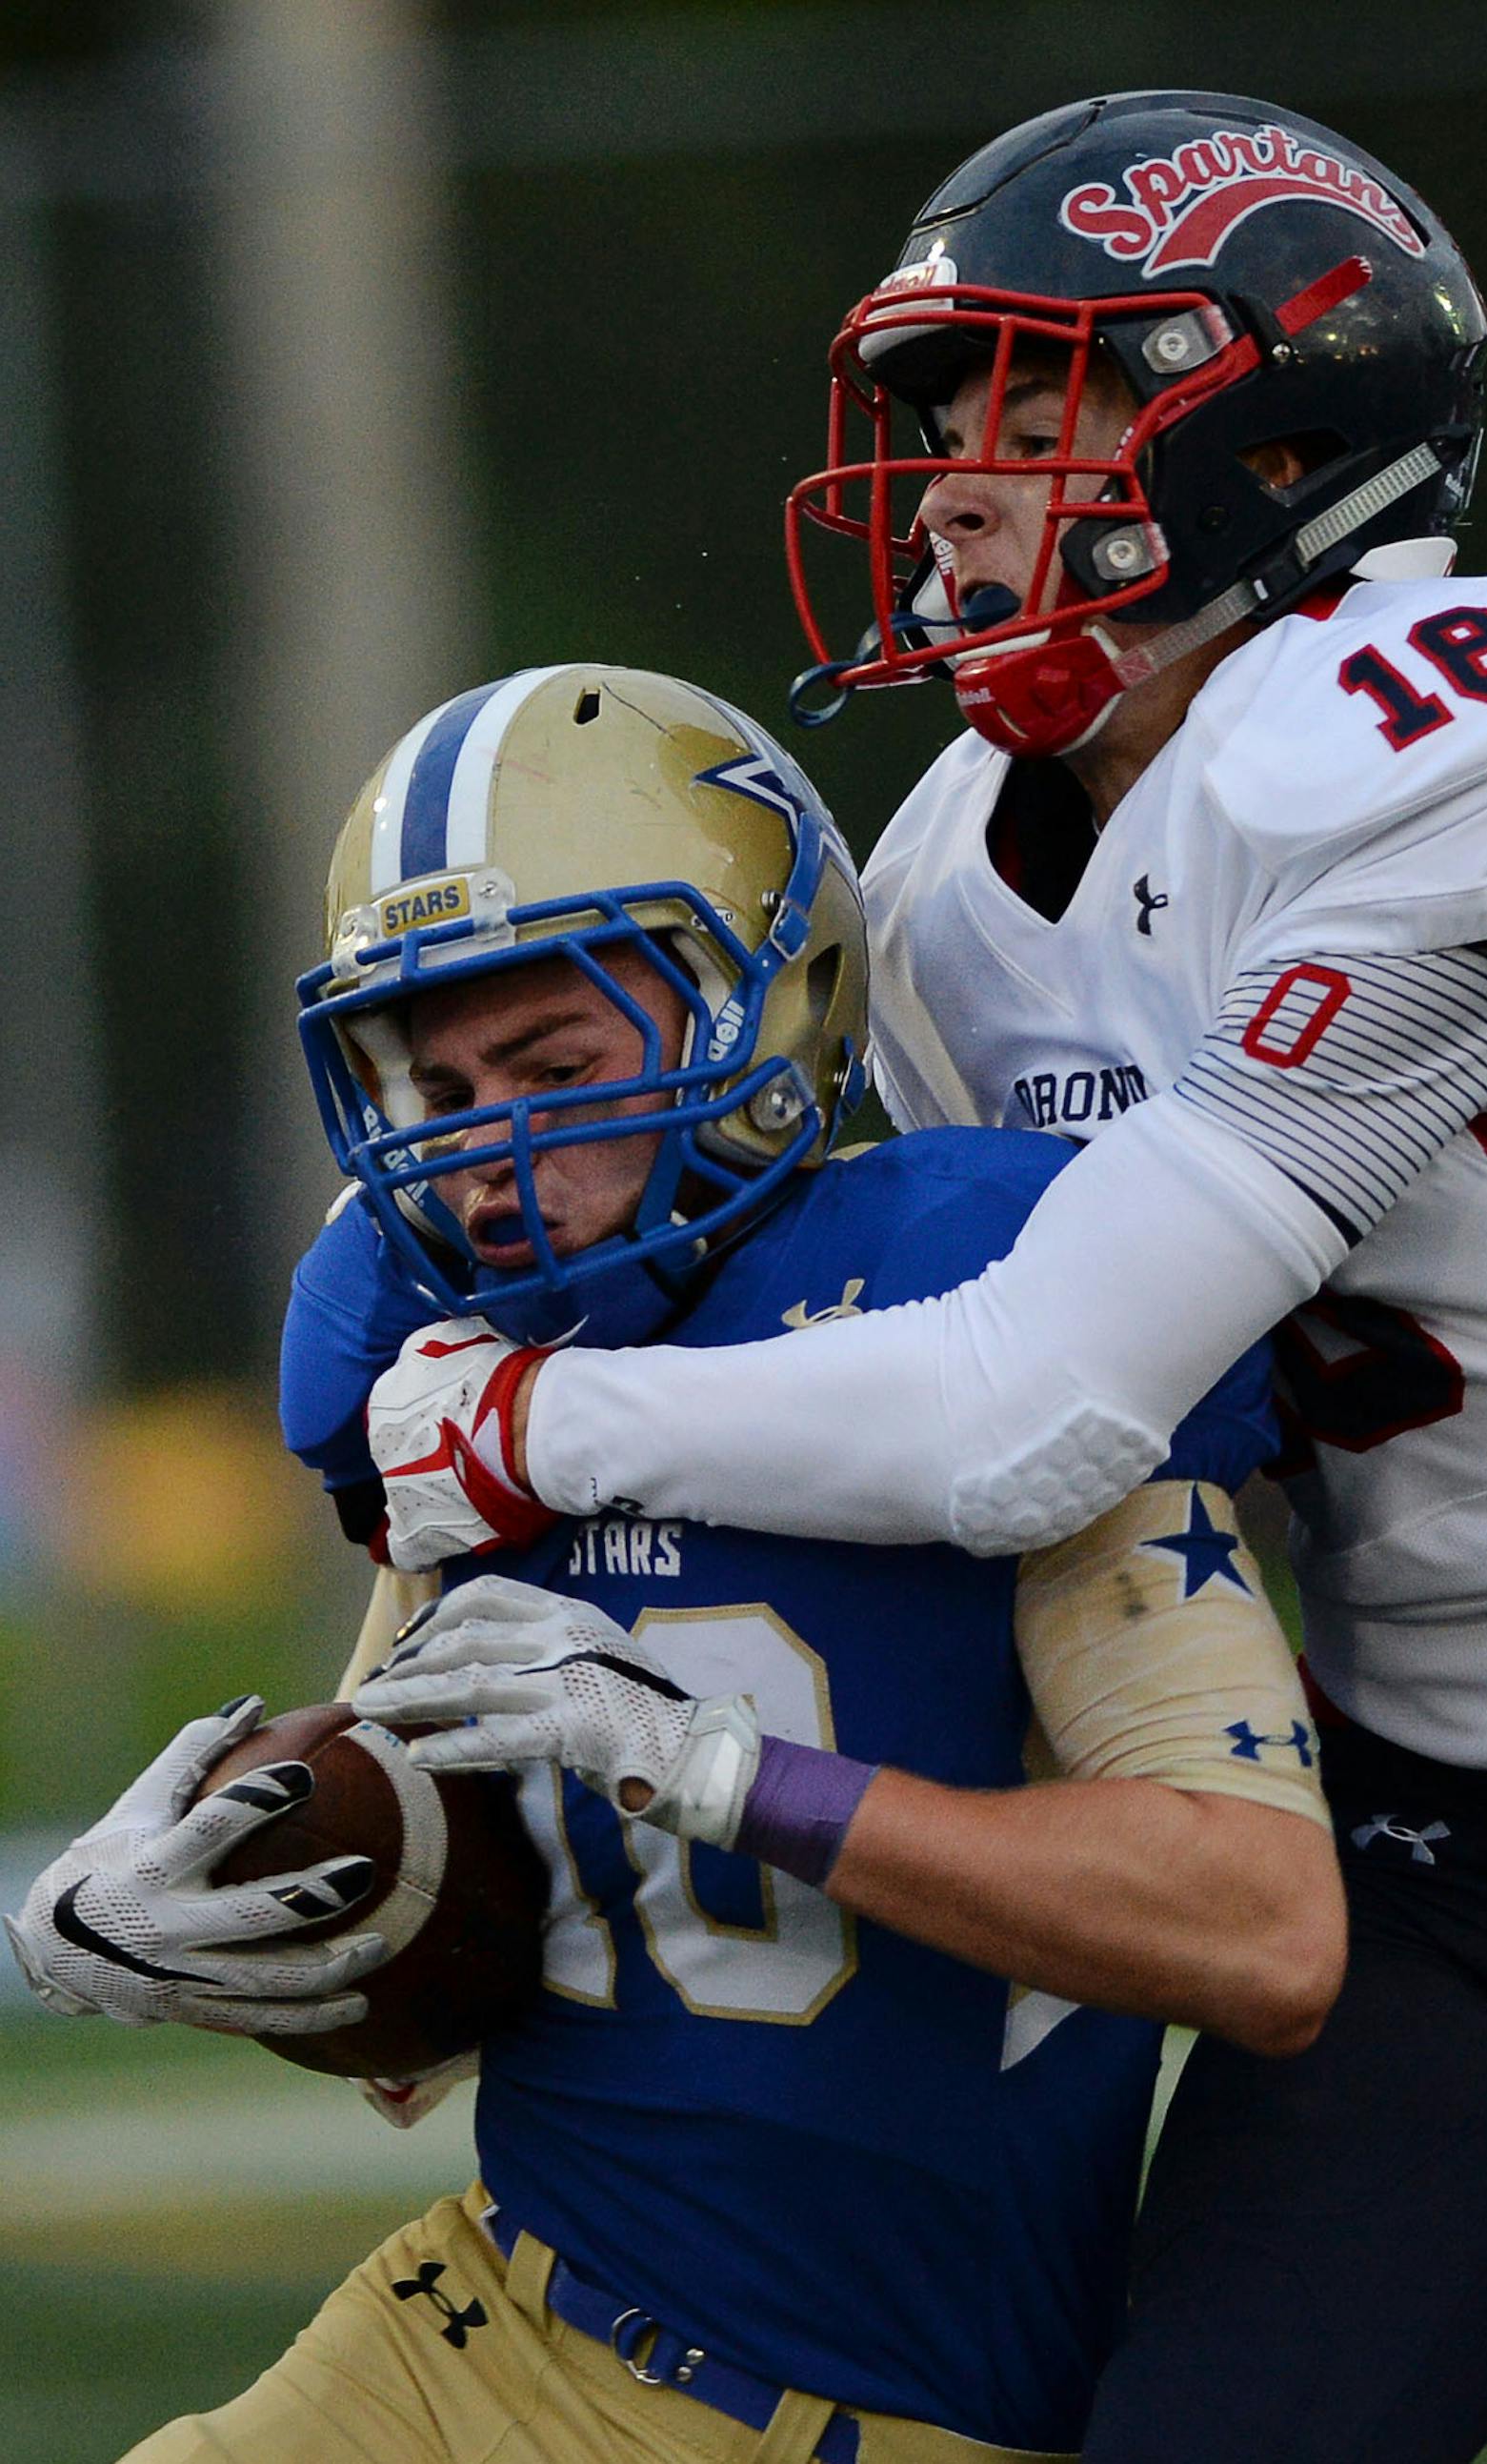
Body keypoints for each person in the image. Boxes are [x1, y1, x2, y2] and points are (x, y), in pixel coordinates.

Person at [343, 94, 1487, 2464]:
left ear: (1281, 421)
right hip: (1450, 1863)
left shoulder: (1486, 722)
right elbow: (882, 1347)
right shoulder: (950, 877)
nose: (950, 486)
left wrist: (530, 1432)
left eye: (1042, 408)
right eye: (939, 424)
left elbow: (1018, 1409)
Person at [6, 662, 1344, 2464]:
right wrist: (208, 1917)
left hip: (879, 2415)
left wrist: (732, 1773)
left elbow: (1263, 1929)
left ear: (769, 1008)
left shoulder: (998, 1326)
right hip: (479, 2317)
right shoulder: (443, 1359)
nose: (490, 1149)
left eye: (558, 1069)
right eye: (439, 1080)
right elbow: (433, 1972)